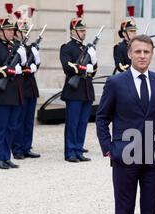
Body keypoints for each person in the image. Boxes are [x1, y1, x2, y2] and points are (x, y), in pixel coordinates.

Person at [96, 35, 155, 214]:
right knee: (124, 210)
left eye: (146, 51)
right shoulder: (116, 82)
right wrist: (109, 148)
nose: (142, 56)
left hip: (154, 157)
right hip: (124, 157)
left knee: (150, 212)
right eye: (137, 51)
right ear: (129, 54)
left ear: (152, 54)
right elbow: (102, 118)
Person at [0, 3, 27, 170]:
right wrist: (11, 70)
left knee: (12, 127)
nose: (12, 32)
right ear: (0, 31)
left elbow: (24, 67)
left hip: (14, 93)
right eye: (9, 30)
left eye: (12, 30)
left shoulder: (17, 47)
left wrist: (24, 61)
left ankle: (6, 156)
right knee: (0, 127)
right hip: (0, 93)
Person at [60, 4, 97, 163]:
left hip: (86, 90)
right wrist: (83, 67)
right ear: (73, 31)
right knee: (73, 123)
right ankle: (70, 152)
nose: (84, 33)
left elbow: (93, 70)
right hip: (74, 90)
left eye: (84, 30)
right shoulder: (66, 47)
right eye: (81, 30)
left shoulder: (87, 48)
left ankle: (78, 149)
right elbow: (68, 67)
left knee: (82, 123)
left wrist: (93, 61)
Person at [12, 8, 41, 160]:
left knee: (29, 120)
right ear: (16, 33)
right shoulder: (14, 48)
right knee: (19, 120)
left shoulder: (29, 48)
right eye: (23, 31)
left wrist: (36, 61)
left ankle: (26, 147)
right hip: (19, 88)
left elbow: (35, 66)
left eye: (27, 31)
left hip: (30, 87)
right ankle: (17, 148)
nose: (26, 34)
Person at [113, 7, 137, 74]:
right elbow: (121, 67)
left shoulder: (137, 46)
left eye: (134, 31)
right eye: (131, 31)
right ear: (124, 33)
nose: (134, 33)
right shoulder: (119, 47)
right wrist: (137, 67)